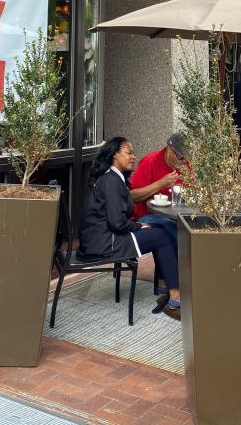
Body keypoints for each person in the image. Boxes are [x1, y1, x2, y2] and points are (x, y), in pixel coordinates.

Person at [78, 137, 182, 320]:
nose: (133, 156)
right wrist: (138, 225)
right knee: (161, 236)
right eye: (129, 153)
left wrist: (139, 226)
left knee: (159, 232)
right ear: (115, 156)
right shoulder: (111, 181)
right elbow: (117, 223)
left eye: (133, 153)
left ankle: (167, 286)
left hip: (102, 238)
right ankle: (175, 295)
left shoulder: (113, 177)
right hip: (105, 243)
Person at [128, 133, 186, 251]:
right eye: (181, 157)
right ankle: (177, 269)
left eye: (186, 158)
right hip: (147, 215)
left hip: (177, 215)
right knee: (175, 232)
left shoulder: (186, 165)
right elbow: (131, 196)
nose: (183, 161)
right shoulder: (150, 162)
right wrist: (161, 184)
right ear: (169, 149)